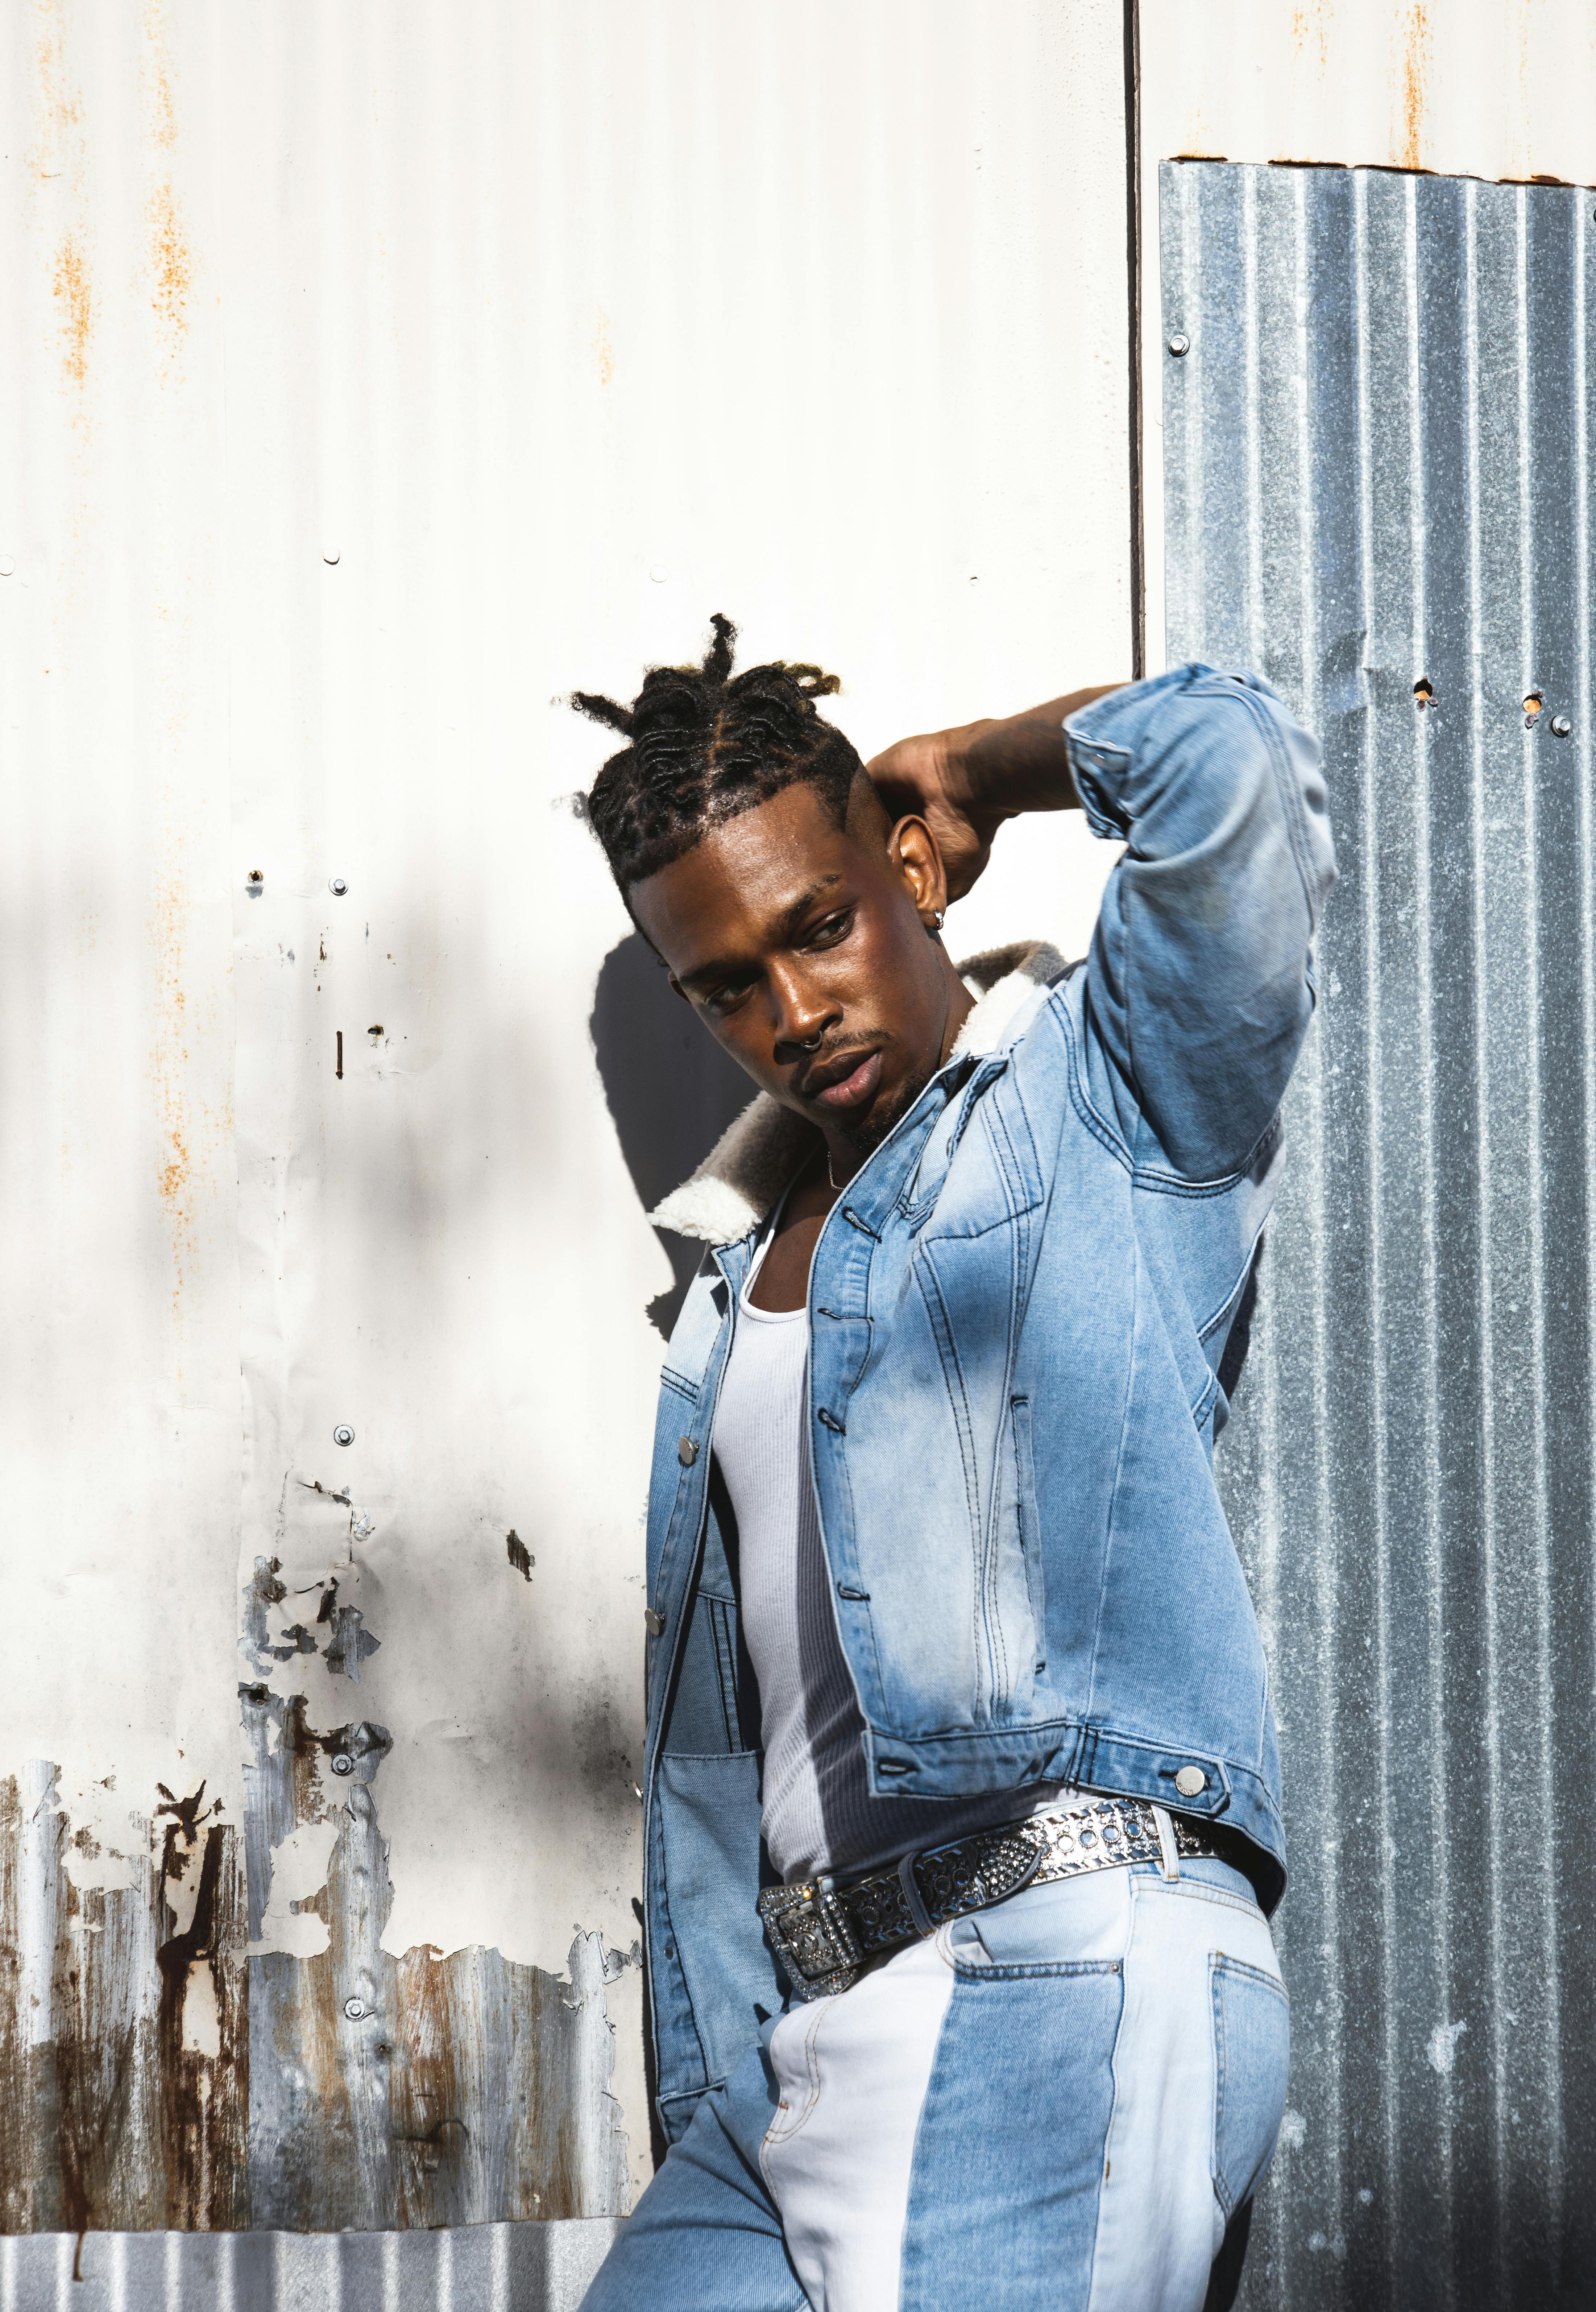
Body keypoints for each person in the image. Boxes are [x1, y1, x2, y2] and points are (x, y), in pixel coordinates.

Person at [572, 616, 1335, 2312]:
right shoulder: (720, 1289)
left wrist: (981, 760)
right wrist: (719, 2075)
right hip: (802, 2044)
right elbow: (726, 1758)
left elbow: (1235, 769)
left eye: (821, 925)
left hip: (1057, 1975)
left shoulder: (1099, 1107)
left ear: (910, 869)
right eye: (726, 985)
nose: (792, 1009)